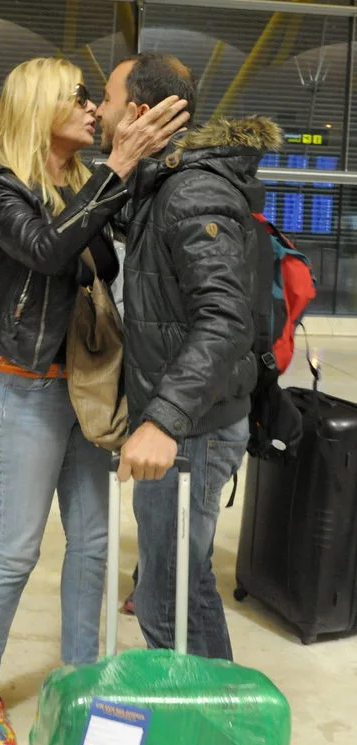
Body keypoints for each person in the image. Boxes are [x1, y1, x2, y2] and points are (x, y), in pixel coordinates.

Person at [0, 57, 189, 745]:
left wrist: (128, 167)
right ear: (39, 107)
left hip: (87, 385)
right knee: (18, 546)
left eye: (93, 96)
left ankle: (82, 677)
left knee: (91, 541)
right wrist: (117, 168)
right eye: (77, 97)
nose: (92, 108)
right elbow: (49, 252)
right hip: (25, 387)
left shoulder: (81, 179)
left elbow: (101, 265)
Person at [97, 53, 282, 659]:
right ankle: (201, 705)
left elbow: (224, 318)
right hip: (190, 422)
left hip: (192, 431)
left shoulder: (192, 190)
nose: (98, 110)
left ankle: (212, 711)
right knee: (178, 581)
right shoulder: (163, 185)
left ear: (138, 112)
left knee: (167, 595)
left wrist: (162, 420)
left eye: (108, 99)